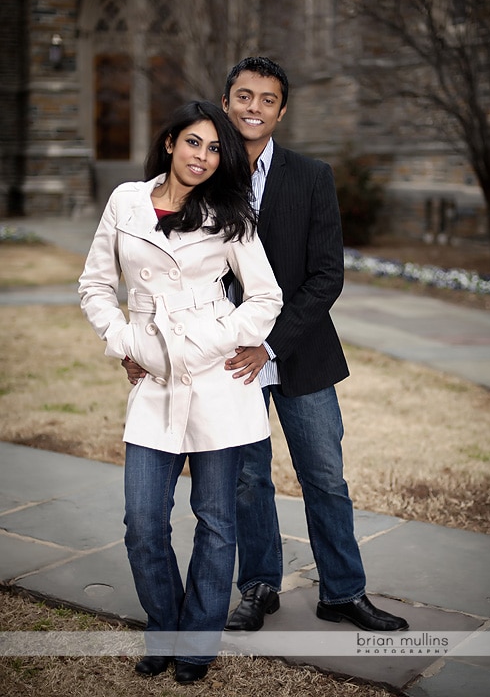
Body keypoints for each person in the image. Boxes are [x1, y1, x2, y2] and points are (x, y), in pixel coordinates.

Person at [125, 58, 408, 634]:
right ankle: (257, 587)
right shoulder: (201, 173)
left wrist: (269, 345)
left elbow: (327, 275)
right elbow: (156, 272)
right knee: (247, 481)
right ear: (225, 103)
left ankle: (343, 591)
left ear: (282, 110)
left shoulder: (312, 176)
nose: (254, 107)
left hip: (298, 353)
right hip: (218, 361)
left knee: (325, 475)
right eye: (244, 96)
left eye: (267, 99)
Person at [78, 100, 282, 684]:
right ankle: (163, 628)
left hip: (216, 377)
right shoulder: (126, 201)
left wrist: (215, 343)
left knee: (216, 521)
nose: (204, 157)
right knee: (142, 523)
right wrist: (124, 341)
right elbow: (95, 284)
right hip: (152, 375)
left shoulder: (230, 214)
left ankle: (196, 642)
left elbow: (265, 297)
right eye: (194, 143)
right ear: (170, 142)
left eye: (216, 149)